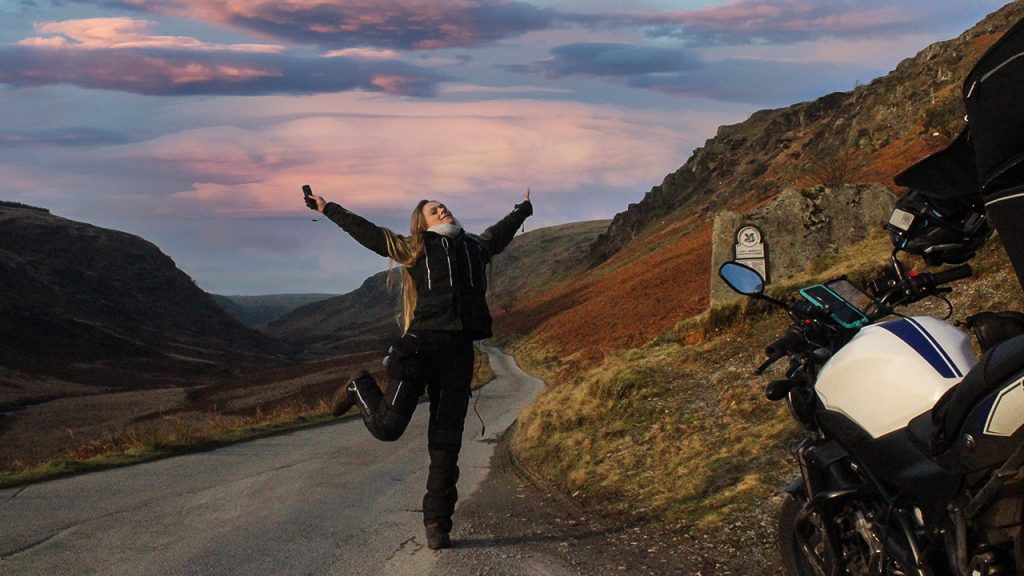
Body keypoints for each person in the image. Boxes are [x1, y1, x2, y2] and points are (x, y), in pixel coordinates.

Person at [304, 188, 533, 550]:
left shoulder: (476, 248)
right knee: (387, 427)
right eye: (433, 210)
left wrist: (523, 208)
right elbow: (368, 233)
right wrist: (327, 208)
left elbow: (501, 232)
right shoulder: (415, 248)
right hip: (420, 348)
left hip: (458, 355)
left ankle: (438, 524)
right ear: (421, 223)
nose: (442, 210)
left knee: (446, 444)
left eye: (443, 206)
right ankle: (358, 387)